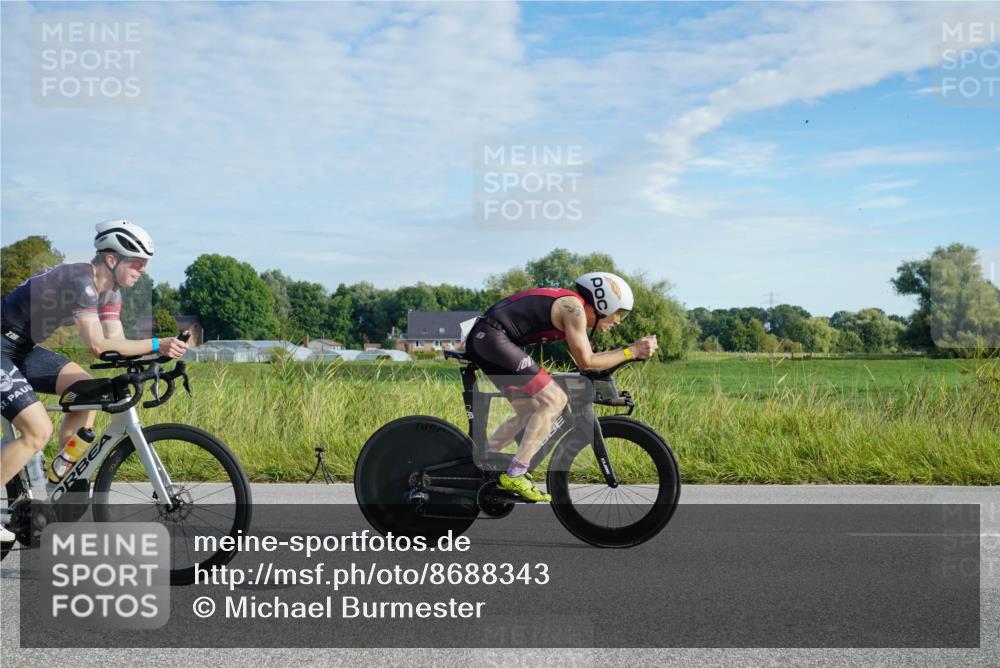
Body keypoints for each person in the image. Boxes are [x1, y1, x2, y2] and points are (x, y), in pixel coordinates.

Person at [1, 220, 188, 543]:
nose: (142, 270)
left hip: (21, 348)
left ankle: (59, 478)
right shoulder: (81, 282)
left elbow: (117, 344)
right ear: (112, 260)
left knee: (87, 387)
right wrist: (158, 344)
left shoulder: (111, 294)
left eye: (145, 264)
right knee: (37, 430)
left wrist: (155, 359)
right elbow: (99, 346)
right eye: (137, 262)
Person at [464, 272, 657, 502]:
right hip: (493, 338)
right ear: (603, 303)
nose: (618, 321)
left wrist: (628, 354)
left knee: (530, 409)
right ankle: (515, 474)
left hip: (490, 339)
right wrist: (631, 351)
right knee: (554, 400)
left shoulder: (573, 307)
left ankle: (481, 463)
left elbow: (589, 361)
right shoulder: (573, 308)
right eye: (619, 313)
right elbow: (586, 361)